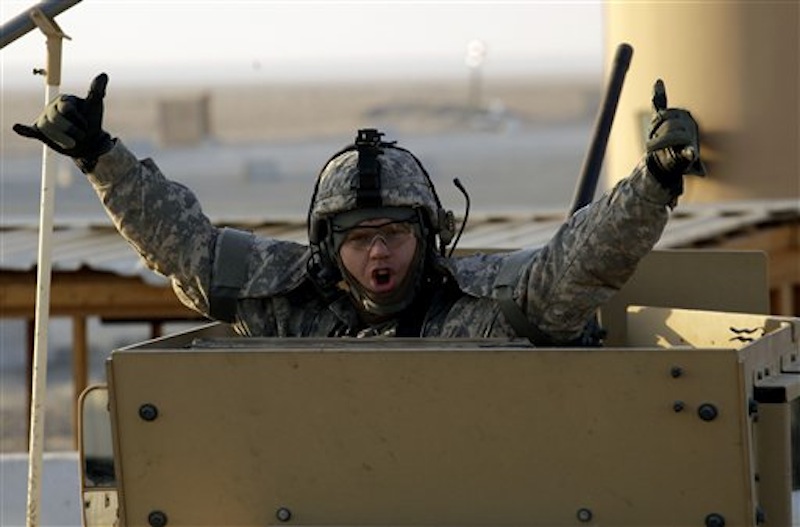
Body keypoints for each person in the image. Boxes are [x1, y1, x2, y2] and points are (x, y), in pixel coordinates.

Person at [14, 73, 704, 345]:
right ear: (327, 247)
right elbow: (186, 247)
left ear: (428, 236)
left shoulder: (492, 307)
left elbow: (576, 264)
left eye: (396, 233)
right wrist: (100, 155)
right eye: (360, 237)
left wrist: (653, 182)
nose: (379, 252)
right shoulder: (286, 302)